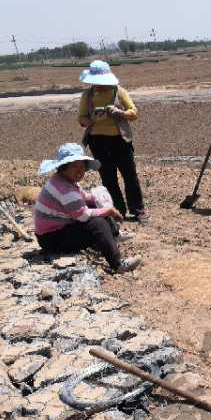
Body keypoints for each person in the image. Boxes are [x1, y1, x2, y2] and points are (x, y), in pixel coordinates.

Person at [34, 143, 141, 273]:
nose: (80, 170)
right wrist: (108, 210)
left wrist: (100, 200)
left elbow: (85, 197)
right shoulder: (65, 189)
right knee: (97, 223)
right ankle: (117, 264)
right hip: (51, 239)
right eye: (74, 166)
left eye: (82, 165)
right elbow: (82, 215)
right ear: (63, 167)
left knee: (96, 206)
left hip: (54, 233)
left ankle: (113, 235)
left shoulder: (63, 181)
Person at [77, 60, 148, 224]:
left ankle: (138, 210)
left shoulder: (119, 92)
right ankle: (118, 210)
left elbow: (134, 112)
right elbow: (81, 118)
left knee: (130, 176)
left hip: (120, 140)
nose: (100, 86)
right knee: (108, 177)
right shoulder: (87, 95)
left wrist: (120, 113)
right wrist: (92, 119)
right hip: (97, 141)